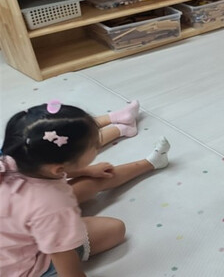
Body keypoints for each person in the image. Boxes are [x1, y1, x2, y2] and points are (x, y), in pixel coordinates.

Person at [0, 101, 171, 277]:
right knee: (115, 229)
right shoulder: (53, 205)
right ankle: (150, 160)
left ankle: (150, 163)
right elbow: (69, 270)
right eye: (94, 147)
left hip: (16, 234)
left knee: (96, 178)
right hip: (22, 267)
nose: (97, 146)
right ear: (59, 168)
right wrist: (62, 228)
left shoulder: (13, 158)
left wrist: (86, 170)